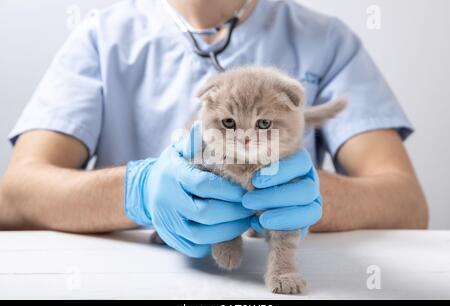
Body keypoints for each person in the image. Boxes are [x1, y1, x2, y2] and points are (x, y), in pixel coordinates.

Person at [0, 0, 428, 258]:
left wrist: (303, 194)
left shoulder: (326, 40)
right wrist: (140, 191)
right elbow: (16, 198)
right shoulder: (101, 37)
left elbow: (406, 205)